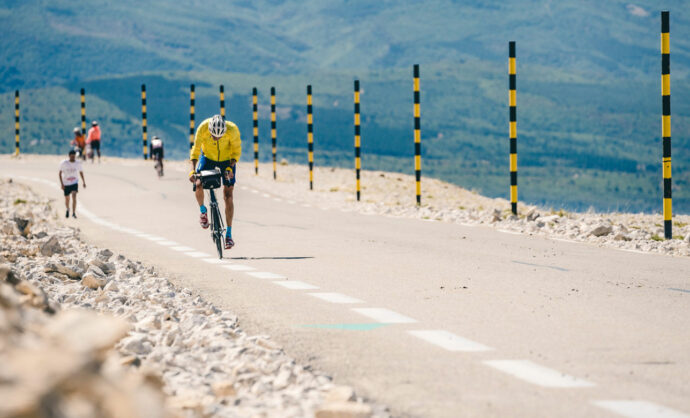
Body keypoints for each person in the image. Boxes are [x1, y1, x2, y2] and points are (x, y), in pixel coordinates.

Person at [189, 114, 241, 249]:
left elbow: (236, 152)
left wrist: (230, 167)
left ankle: (228, 235)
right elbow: (195, 151)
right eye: (213, 135)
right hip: (208, 158)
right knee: (198, 183)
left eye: (219, 136)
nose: (215, 138)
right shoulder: (203, 127)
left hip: (226, 160)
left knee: (228, 195)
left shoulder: (233, 130)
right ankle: (203, 211)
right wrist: (192, 171)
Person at [58, 149, 86, 218]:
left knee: (74, 196)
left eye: (74, 156)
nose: (73, 158)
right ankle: (68, 209)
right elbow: (60, 173)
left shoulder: (78, 163)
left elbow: (81, 172)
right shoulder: (64, 163)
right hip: (66, 183)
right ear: (69, 156)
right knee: (67, 199)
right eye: (72, 156)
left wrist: (83, 182)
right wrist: (62, 184)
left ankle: (73, 213)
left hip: (74, 182)